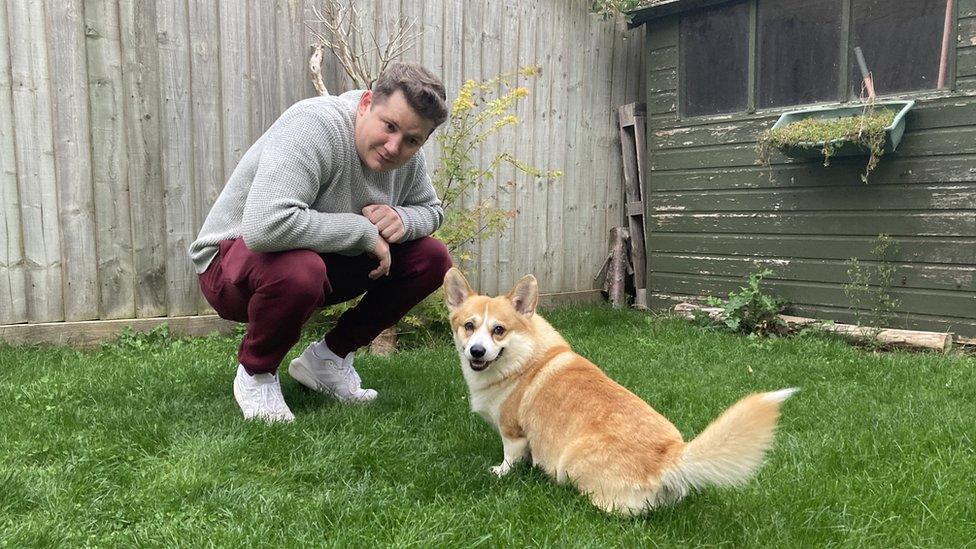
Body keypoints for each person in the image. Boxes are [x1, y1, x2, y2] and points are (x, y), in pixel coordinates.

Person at [188, 62, 452, 423]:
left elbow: (433, 210)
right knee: (301, 270)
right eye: (389, 126)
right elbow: (265, 227)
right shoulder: (313, 126)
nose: (394, 147)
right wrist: (362, 231)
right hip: (228, 263)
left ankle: (328, 360)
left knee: (431, 258)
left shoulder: (409, 157)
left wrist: (404, 220)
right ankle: (256, 373)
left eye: (412, 139)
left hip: (317, 259)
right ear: (366, 103)